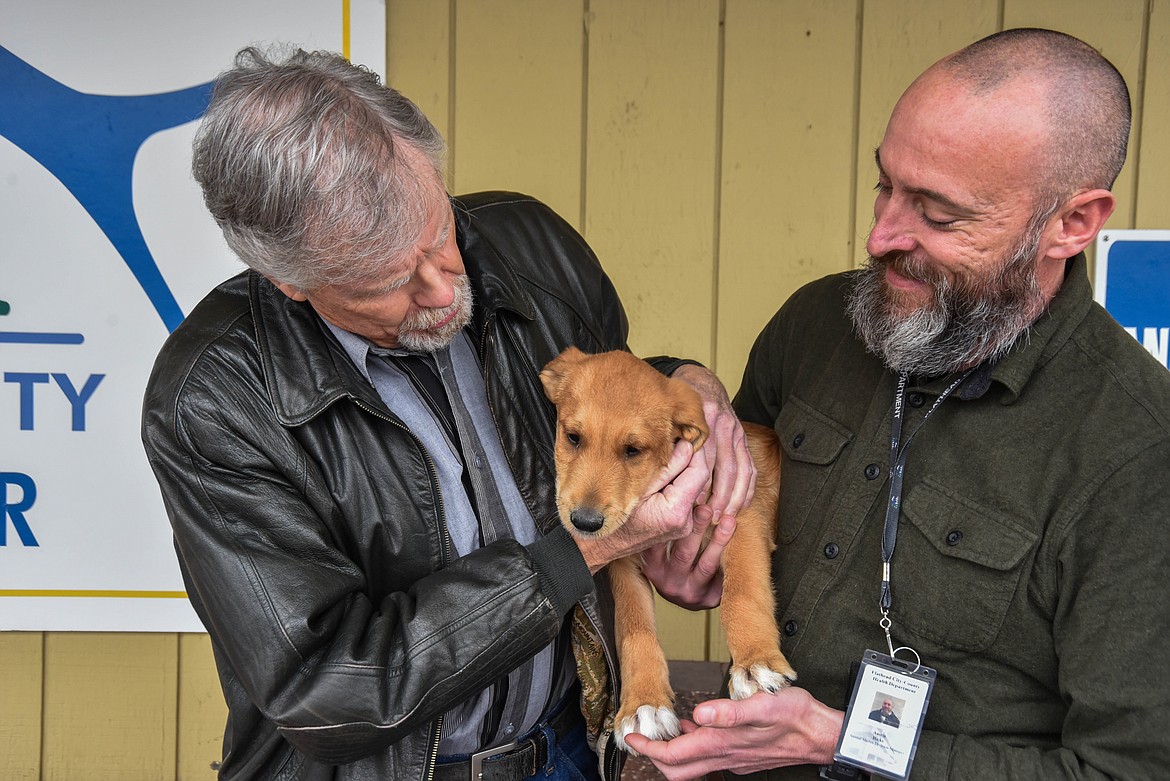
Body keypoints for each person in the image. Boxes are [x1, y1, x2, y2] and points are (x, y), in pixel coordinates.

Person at [140, 46, 754, 781]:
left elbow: (613, 394)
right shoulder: (213, 397)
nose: (442, 290)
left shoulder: (535, 247)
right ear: (291, 283)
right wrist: (576, 554)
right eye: (392, 281)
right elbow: (328, 688)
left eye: (439, 235)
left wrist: (692, 383)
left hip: (564, 751)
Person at [629, 27, 1170, 779]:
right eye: (885, 184)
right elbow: (733, 510)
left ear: (1072, 224)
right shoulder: (819, 323)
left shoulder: (1136, 451)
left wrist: (840, 739)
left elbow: (1130, 769)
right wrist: (693, 439)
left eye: (939, 215)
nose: (882, 234)